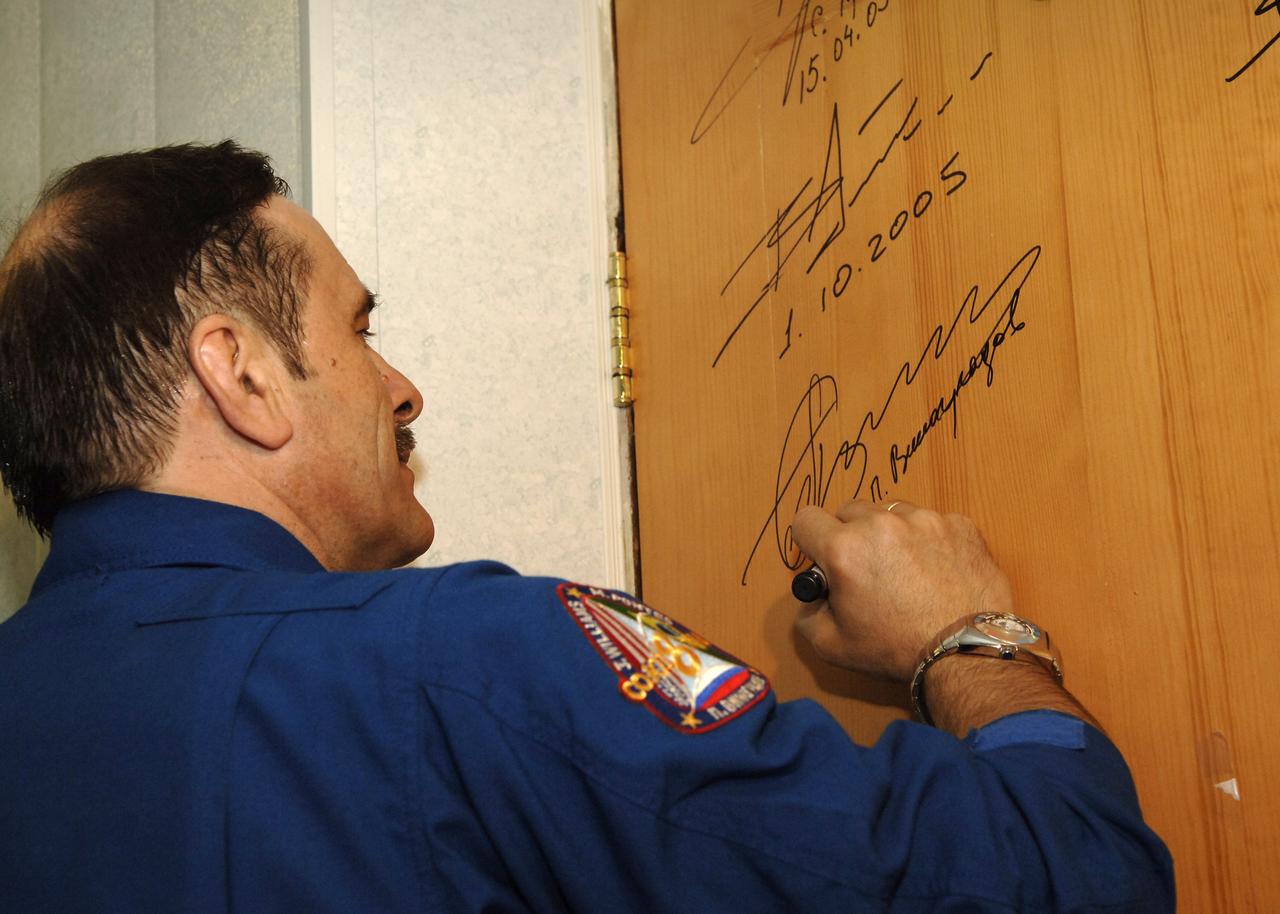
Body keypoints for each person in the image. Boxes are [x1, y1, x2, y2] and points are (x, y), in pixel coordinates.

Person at [0, 142, 1173, 913]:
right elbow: (1072, 879)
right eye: (359, 329)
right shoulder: (456, 667)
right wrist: (969, 637)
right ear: (242, 374)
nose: (399, 387)